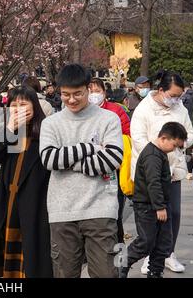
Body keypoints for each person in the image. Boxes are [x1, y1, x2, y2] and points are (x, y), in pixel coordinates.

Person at [39, 64, 123, 278]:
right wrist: (89, 148)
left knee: (106, 273)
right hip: (61, 211)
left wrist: (67, 161)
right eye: (65, 94)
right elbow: (49, 159)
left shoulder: (108, 119)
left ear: (89, 89)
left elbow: (113, 158)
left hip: (101, 209)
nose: (72, 99)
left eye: (78, 93)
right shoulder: (51, 124)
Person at [0, 86, 53, 278]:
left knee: (31, 259)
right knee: (3, 258)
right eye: (14, 105)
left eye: (24, 104)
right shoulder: (10, 132)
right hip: (7, 203)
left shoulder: (47, 131)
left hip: (35, 204)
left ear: (35, 106)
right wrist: (8, 129)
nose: (19, 109)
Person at [131, 71, 193, 274]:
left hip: (173, 170)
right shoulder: (144, 109)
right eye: (173, 95)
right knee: (151, 216)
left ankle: (168, 253)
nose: (176, 99)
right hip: (150, 170)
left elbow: (189, 133)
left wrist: (178, 146)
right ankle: (149, 254)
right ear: (161, 90)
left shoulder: (180, 107)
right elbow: (139, 139)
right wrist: (158, 155)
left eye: (179, 95)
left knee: (173, 214)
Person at [120, 122, 188, 278]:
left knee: (164, 243)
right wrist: (159, 207)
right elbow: (153, 182)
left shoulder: (160, 153)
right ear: (164, 138)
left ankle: (156, 271)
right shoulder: (152, 155)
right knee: (146, 242)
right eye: (175, 145)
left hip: (161, 204)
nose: (175, 150)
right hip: (147, 206)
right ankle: (122, 264)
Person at [88, 77, 130, 244]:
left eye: (97, 91)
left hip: (113, 168)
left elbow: (127, 134)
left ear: (104, 93)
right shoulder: (80, 111)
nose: (93, 95)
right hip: (90, 168)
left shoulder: (115, 110)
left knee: (114, 210)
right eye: (90, 91)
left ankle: (117, 244)